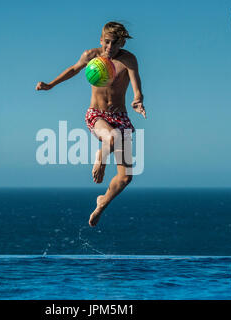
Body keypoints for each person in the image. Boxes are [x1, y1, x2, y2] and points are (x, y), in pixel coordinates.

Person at [36, 21, 146, 227]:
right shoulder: (91, 56)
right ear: (100, 40)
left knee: (125, 179)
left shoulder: (129, 60)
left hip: (120, 117)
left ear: (122, 42)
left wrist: (138, 100)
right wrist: (50, 85)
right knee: (111, 138)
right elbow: (73, 70)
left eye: (115, 43)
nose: (110, 48)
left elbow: (136, 84)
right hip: (97, 115)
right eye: (106, 42)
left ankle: (102, 202)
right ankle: (100, 159)